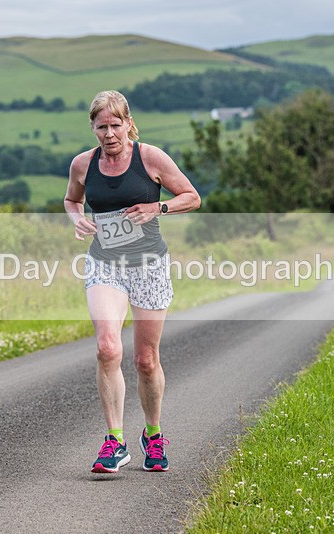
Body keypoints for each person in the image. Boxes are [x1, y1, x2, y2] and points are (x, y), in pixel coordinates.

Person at [64, 90, 201, 473]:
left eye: (115, 125)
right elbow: (72, 200)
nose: (109, 134)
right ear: (92, 128)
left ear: (128, 123)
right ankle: (115, 441)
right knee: (107, 348)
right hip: (104, 263)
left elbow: (192, 197)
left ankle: (153, 435)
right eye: (101, 127)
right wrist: (78, 220)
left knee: (145, 360)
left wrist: (158, 206)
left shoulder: (150, 158)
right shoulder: (82, 164)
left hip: (149, 265)